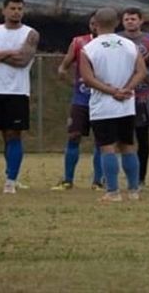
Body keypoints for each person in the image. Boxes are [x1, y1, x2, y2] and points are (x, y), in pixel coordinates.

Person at [80, 8, 149, 202]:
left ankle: (113, 192)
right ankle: (134, 190)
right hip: (126, 105)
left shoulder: (89, 48)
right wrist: (126, 89)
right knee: (128, 145)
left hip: (103, 106)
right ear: (117, 23)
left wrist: (112, 91)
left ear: (96, 24)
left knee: (107, 147)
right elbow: (141, 71)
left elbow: (87, 78)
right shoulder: (130, 45)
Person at [0, 0, 40, 194]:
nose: (16, 12)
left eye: (20, 8)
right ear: (4, 10)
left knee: (13, 135)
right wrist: (7, 53)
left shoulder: (31, 33)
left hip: (17, 91)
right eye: (12, 8)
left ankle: (11, 181)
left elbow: (22, 60)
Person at [52, 14, 104, 191]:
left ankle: (98, 181)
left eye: (98, 23)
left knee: (102, 140)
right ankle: (68, 180)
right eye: (92, 23)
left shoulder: (112, 44)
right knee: (74, 136)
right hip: (81, 100)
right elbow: (63, 68)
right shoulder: (79, 42)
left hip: (103, 99)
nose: (95, 26)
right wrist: (72, 83)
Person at [118, 8, 149, 185]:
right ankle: (121, 175)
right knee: (122, 137)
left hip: (143, 94)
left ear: (141, 21)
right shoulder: (117, 39)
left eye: (133, 19)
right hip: (121, 93)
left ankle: (141, 177)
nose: (130, 22)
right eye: (127, 19)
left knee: (142, 137)